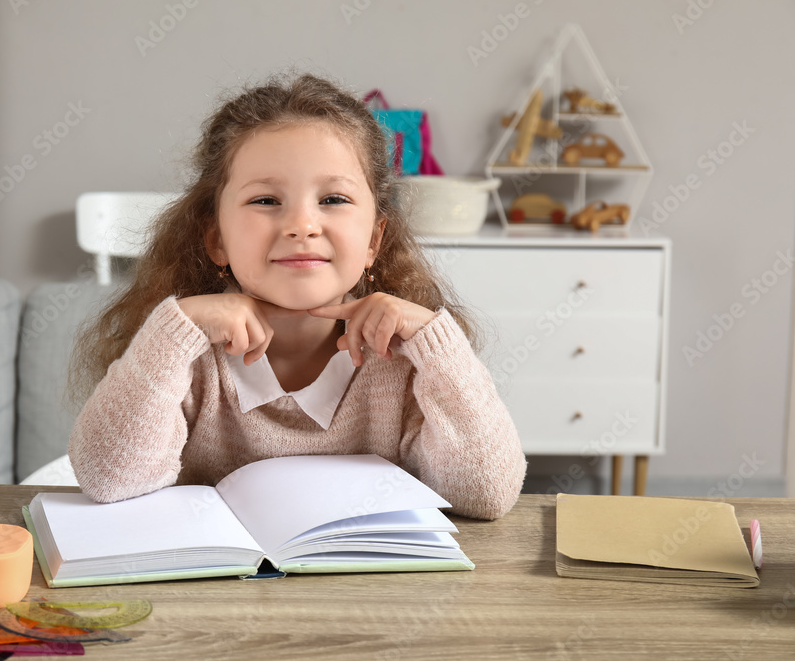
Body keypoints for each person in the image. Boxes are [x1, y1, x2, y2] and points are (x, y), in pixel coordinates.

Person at [67, 73, 526, 520]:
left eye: (333, 200)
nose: (302, 225)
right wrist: (174, 329)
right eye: (266, 201)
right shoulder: (184, 355)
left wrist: (434, 341)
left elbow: (485, 494)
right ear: (217, 239)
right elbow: (109, 479)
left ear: (373, 241)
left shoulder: (405, 357)